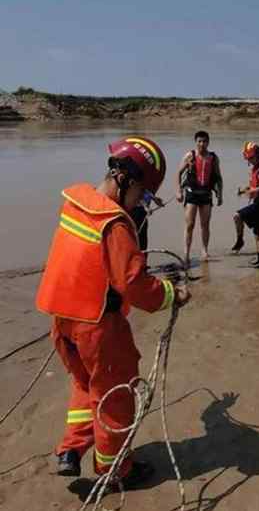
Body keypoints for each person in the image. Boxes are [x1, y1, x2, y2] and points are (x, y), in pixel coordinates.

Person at [36, 136, 190, 486]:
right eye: (144, 194)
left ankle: (70, 451)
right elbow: (134, 285)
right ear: (127, 179)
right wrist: (172, 294)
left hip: (62, 321)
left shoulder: (76, 201)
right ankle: (115, 470)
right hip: (98, 328)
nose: (142, 202)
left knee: (84, 384)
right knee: (114, 397)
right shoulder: (116, 223)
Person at [175, 131, 223, 265]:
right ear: (196, 142)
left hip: (206, 194)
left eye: (204, 141)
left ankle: (204, 251)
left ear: (208, 142)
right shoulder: (190, 155)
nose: (202, 144)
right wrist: (178, 191)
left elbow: (219, 177)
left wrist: (220, 195)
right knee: (190, 225)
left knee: (205, 224)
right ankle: (186, 253)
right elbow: (178, 173)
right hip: (191, 194)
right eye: (199, 141)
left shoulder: (213, 157)